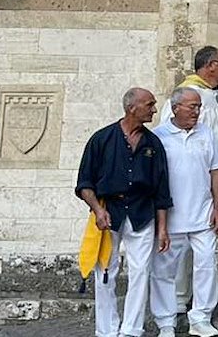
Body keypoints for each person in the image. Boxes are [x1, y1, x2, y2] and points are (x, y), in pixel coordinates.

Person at [76, 88, 172, 337]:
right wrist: (97, 210)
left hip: (142, 212)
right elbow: (85, 183)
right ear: (132, 108)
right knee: (106, 271)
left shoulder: (153, 144)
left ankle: (131, 329)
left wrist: (162, 229)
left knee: (141, 270)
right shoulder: (102, 139)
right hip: (109, 211)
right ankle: (106, 330)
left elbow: (162, 190)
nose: (154, 109)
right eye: (149, 104)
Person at [148, 89, 218, 337]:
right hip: (171, 217)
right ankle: (166, 322)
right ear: (175, 108)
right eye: (191, 106)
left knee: (206, 265)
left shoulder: (206, 132)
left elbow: (216, 172)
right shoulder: (158, 137)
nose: (197, 111)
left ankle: (201, 317)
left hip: (202, 214)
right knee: (164, 271)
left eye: (198, 106)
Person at [156, 46, 218, 313]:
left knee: (204, 259)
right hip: (177, 194)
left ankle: (201, 311)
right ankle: (176, 300)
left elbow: (215, 147)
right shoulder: (186, 94)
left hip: (204, 187)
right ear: (210, 65)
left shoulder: (211, 96)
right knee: (175, 254)